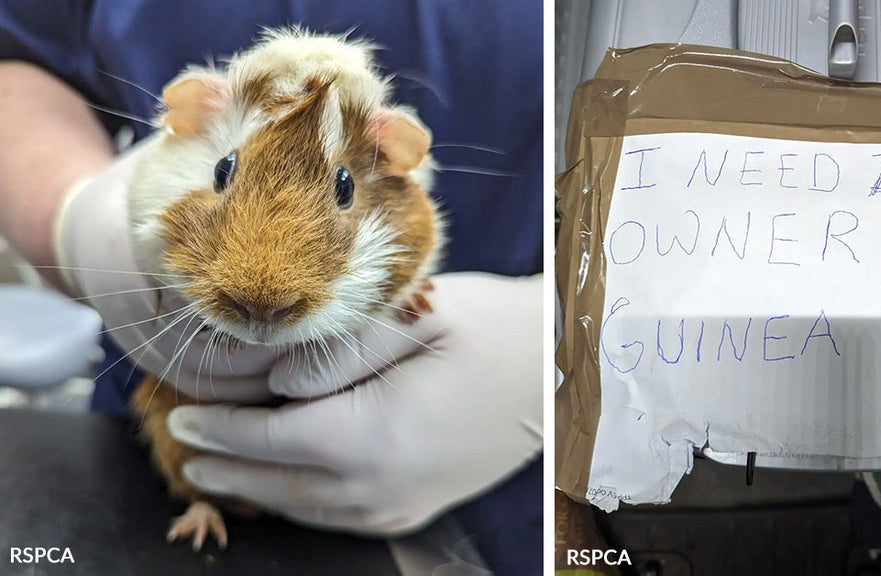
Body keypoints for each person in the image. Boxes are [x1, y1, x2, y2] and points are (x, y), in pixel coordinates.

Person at [0, 2, 543, 573]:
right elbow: (17, 58)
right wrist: (72, 213)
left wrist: (539, 352)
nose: (265, 287)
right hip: (149, 456)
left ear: (394, 152)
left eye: (342, 188)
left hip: (491, 494)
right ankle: (202, 498)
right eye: (225, 173)